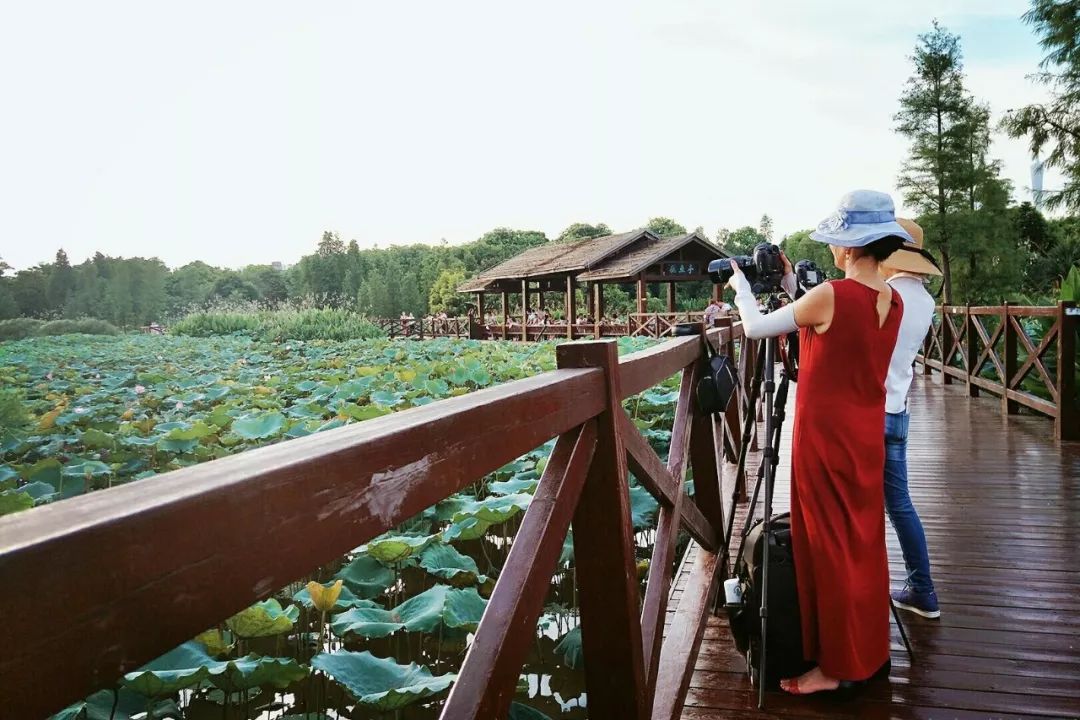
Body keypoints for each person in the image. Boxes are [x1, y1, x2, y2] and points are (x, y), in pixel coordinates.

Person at [726, 189, 910, 696]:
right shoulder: (890, 299)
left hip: (824, 440)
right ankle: (868, 651)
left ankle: (835, 667)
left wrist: (741, 286)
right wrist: (789, 281)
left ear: (849, 247)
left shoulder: (829, 294)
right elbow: (825, 319)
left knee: (827, 547)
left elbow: (757, 328)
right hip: (864, 437)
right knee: (862, 544)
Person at [880, 218, 942, 619]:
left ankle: (859, 595)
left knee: (857, 505)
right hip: (899, 410)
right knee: (900, 503)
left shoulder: (885, 295)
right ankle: (923, 589)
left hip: (869, 413)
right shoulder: (925, 300)